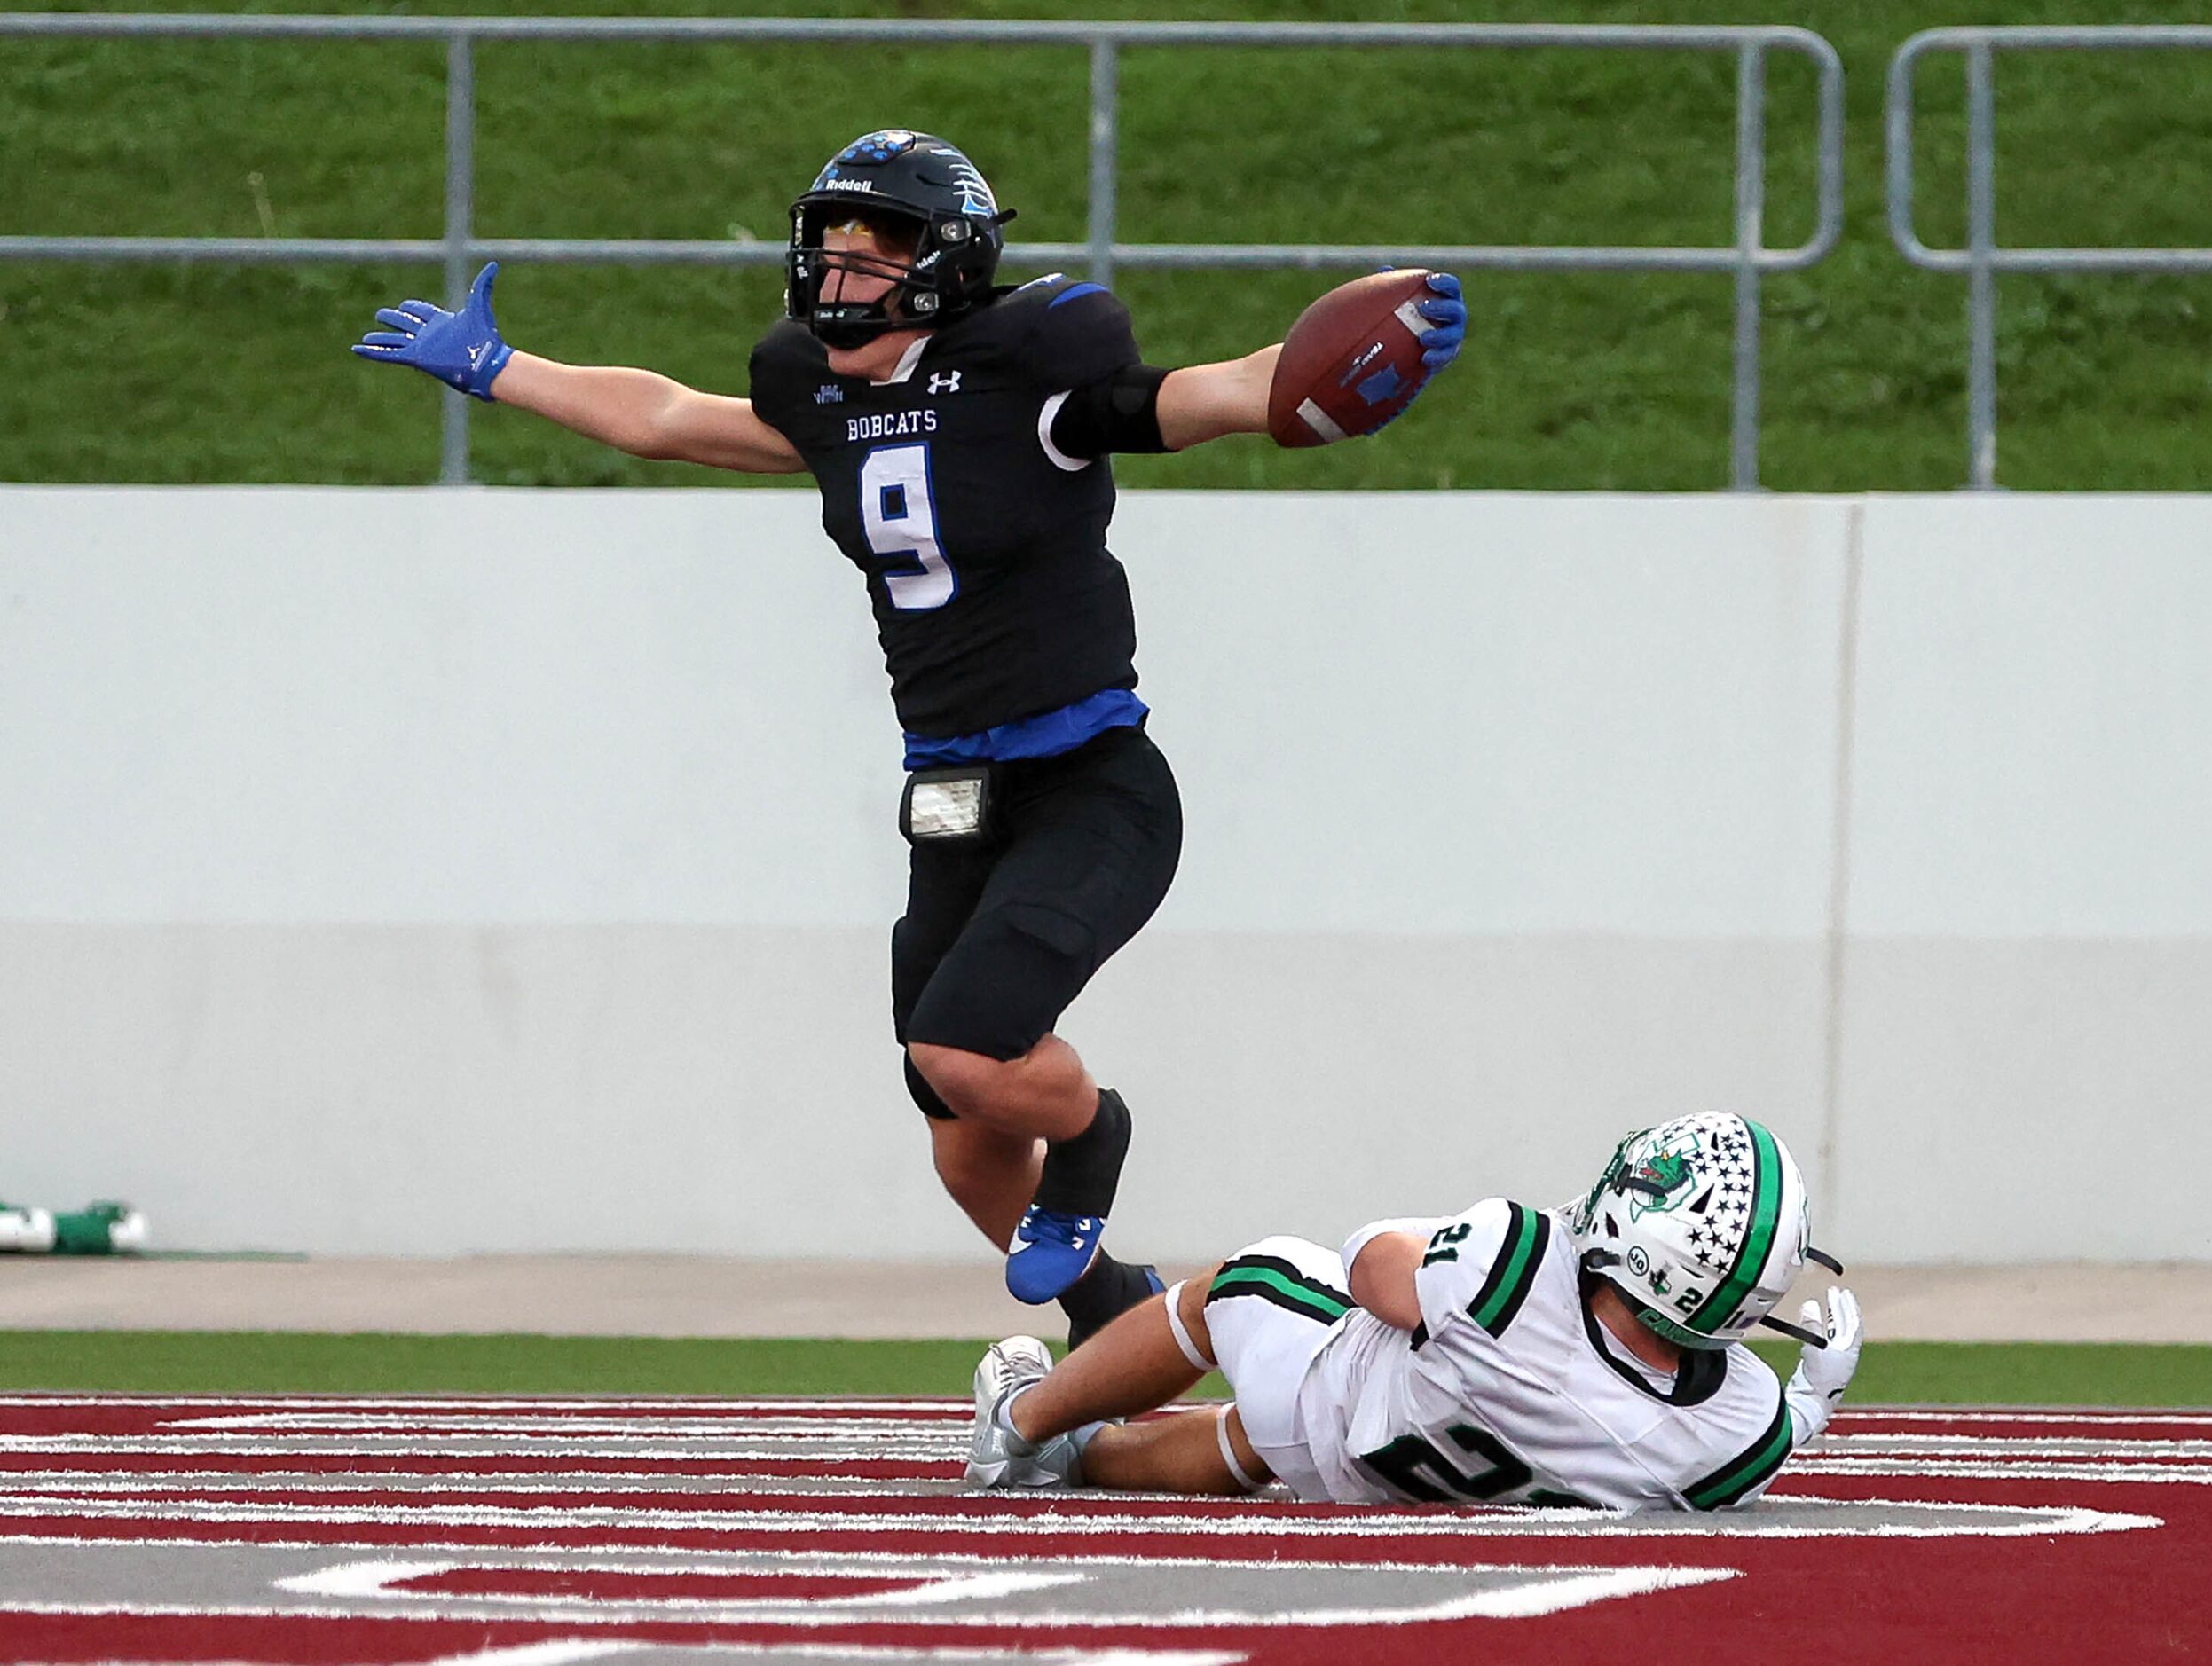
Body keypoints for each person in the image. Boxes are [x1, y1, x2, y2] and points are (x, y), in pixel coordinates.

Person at [351, 130, 1468, 1347]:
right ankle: (1117, 1312)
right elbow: (669, 417)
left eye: (868, 247)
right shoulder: (819, 395)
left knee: (966, 1044)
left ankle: (1094, 1135)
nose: (834, 272)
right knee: (955, 1119)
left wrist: (1342, 366)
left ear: (944, 261)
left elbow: (1216, 392)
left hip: (1086, 780)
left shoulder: (1033, 369)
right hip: (945, 795)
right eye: (825, 246)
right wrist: (502, 366)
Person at [966, 1112, 1863, 1509]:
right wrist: (1812, 1405)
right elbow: (1765, 1436)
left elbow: (1370, 1268)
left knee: (1238, 1286)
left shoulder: (1512, 1263)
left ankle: (1021, 1423)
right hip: (1402, 1483)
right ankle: (1083, 1461)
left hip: (1337, 1398)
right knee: (1256, 1436)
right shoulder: (1737, 1434)